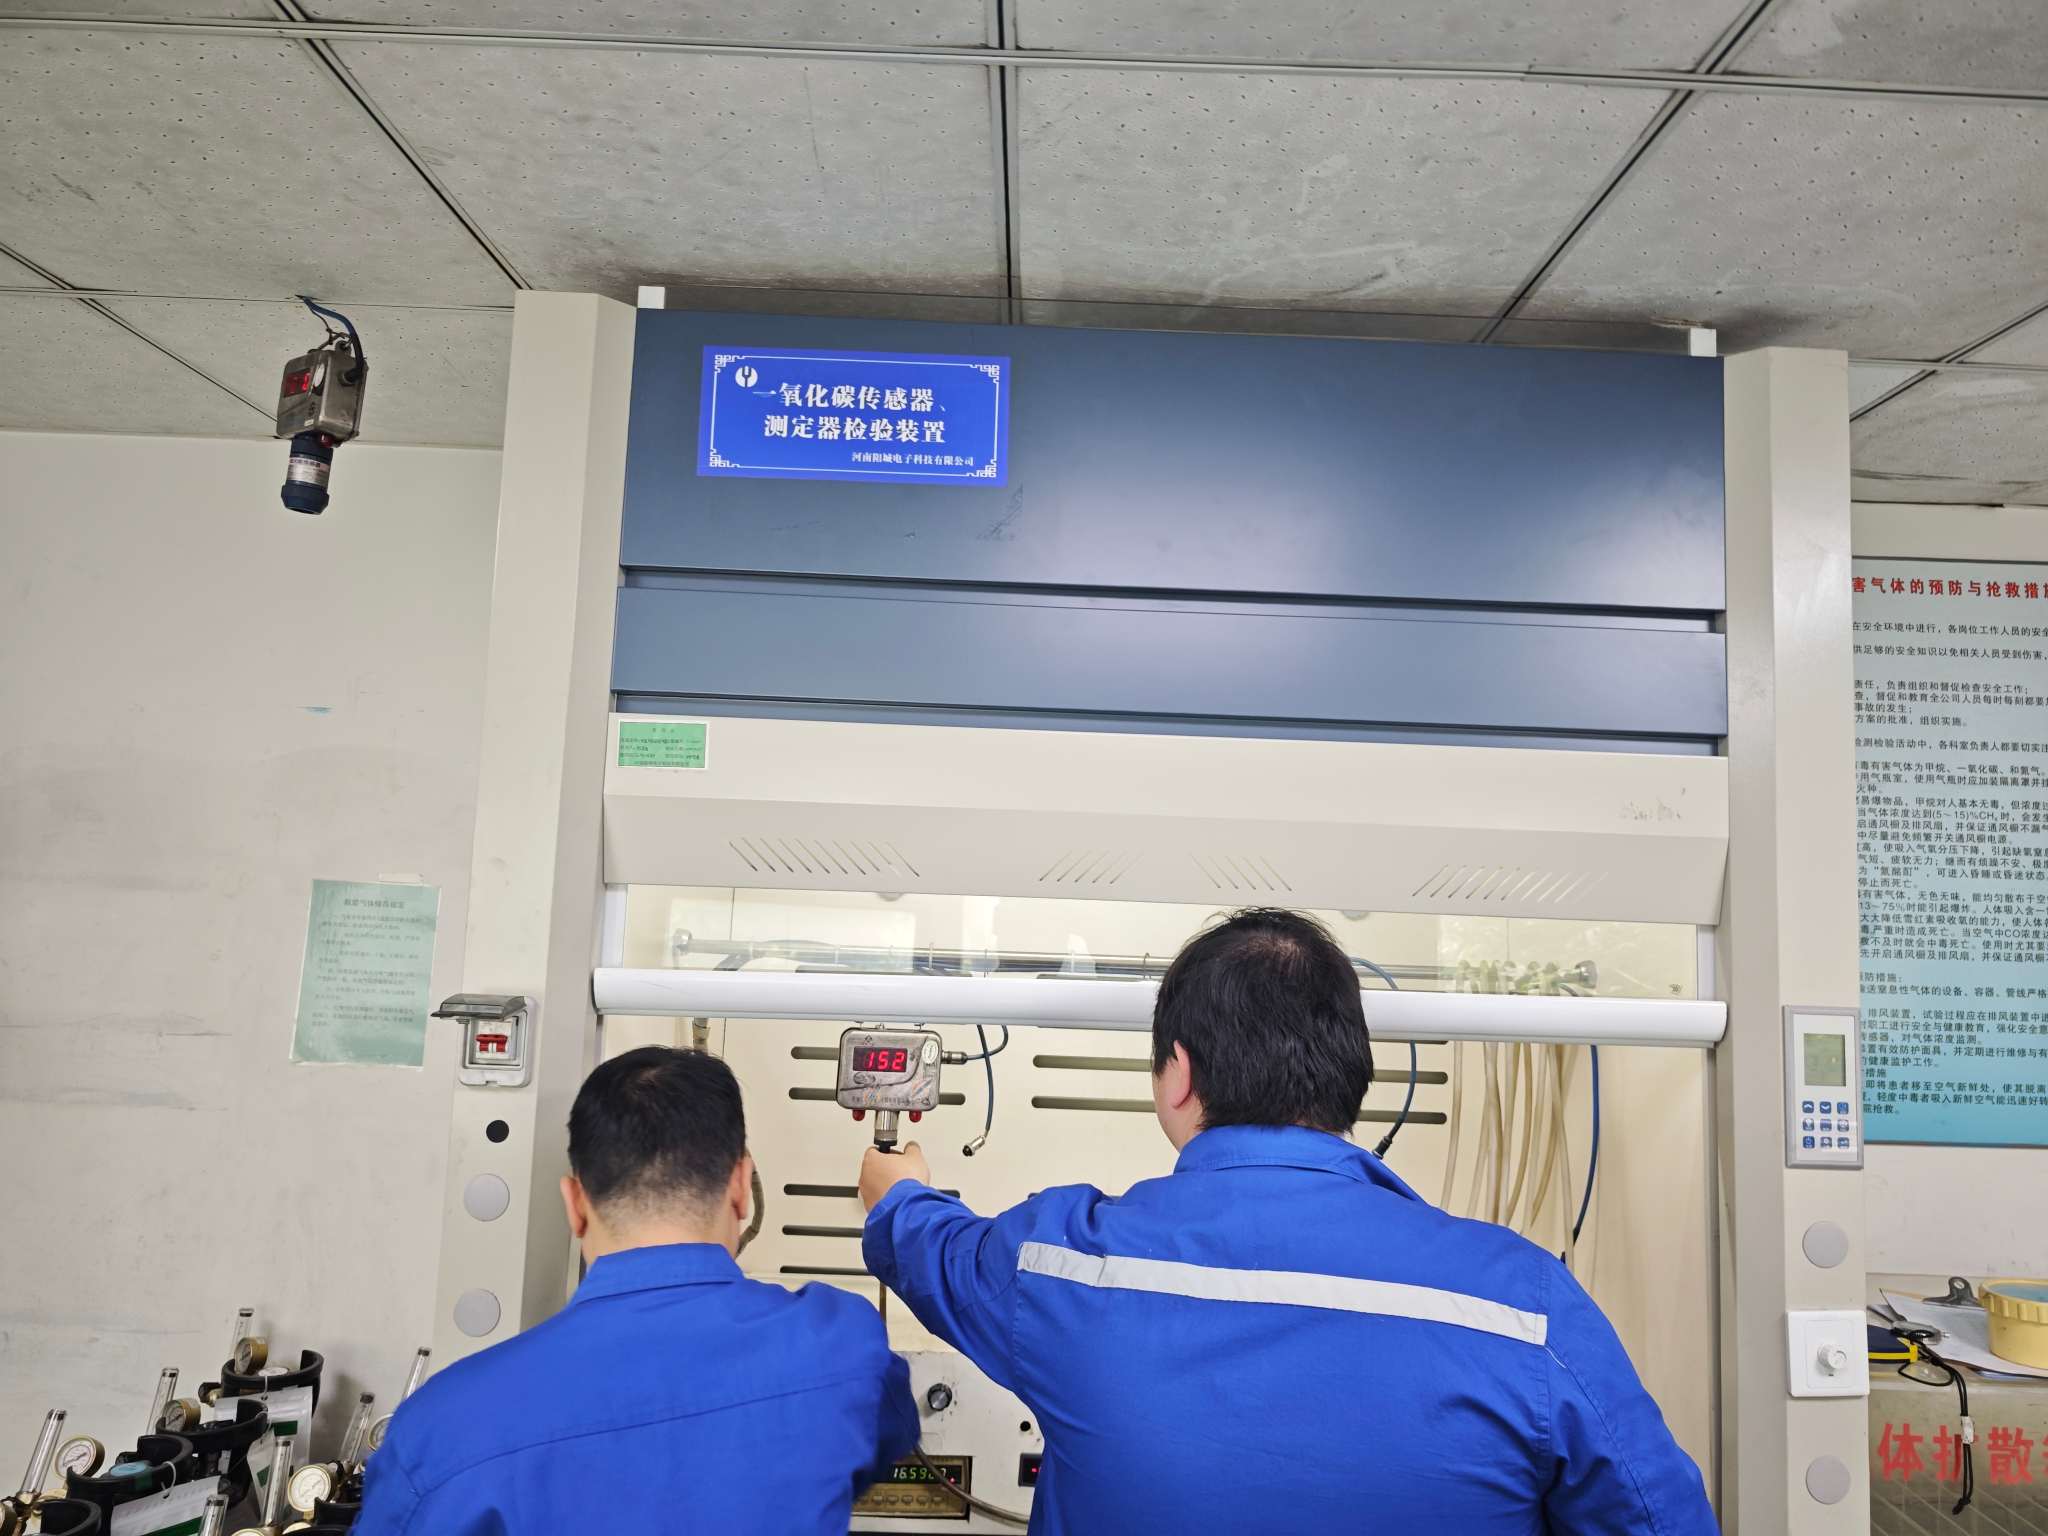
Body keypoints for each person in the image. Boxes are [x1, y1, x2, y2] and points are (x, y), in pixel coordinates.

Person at [860, 908, 1717, 1534]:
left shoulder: (1060, 1266)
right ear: (1350, 1076)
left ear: (1178, 1074)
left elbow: (931, 1246)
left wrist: (897, 1190)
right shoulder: (1527, 1306)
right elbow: (1658, 1519)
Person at [359, 1047, 917, 1535]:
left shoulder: (439, 1429)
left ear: (575, 1205)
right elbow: (872, 1445)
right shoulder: (843, 1347)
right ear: (741, 1187)